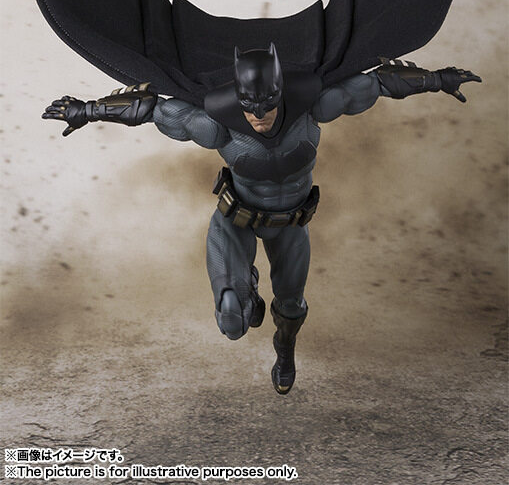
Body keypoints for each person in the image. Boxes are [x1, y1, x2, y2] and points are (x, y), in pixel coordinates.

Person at [42, 44, 481, 393]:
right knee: (232, 319)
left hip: (291, 224)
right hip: (236, 221)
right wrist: (88, 111)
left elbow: (377, 84)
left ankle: (285, 349)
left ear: (280, 93)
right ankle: (245, 289)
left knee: (290, 308)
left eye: (267, 106)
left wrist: (438, 80)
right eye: (249, 107)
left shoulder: (312, 106)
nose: (258, 117)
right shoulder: (216, 125)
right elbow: (153, 109)